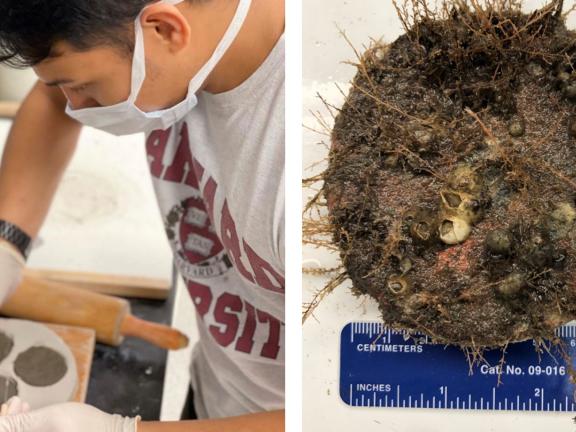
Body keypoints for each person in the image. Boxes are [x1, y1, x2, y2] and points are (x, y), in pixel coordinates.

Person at [0, 0, 285, 431]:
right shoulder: (182, 47)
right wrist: (8, 243)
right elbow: (54, 95)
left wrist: (121, 431)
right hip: (218, 393)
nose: (74, 104)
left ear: (165, 30)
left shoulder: (298, 160)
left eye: (83, 87)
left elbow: (347, 414)